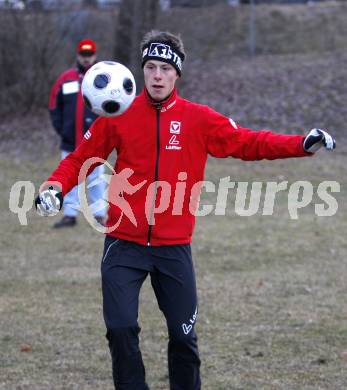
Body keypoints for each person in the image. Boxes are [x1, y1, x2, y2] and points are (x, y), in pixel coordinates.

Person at [36, 31, 336, 389]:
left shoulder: (199, 119)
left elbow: (249, 142)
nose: (157, 75)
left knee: (183, 338)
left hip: (173, 248)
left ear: (177, 74)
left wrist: (300, 145)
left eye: (165, 68)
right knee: (120, 329)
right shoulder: (118, 114)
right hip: (123, 244)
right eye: (150, 67)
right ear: (141, 71)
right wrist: (53, 187)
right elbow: (79, 159)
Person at [48, 38, 106, 228]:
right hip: (70, 141)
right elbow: (54, 106)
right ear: (78, 56)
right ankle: (70, 215)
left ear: (95, 55)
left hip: (96, 143)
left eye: (90, 55)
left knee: (96, 179)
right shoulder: (66, 79)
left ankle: (100, 214)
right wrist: (62, 130)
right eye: (83, 55)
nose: (87, 59)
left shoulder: (103, 78)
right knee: (71, 179)